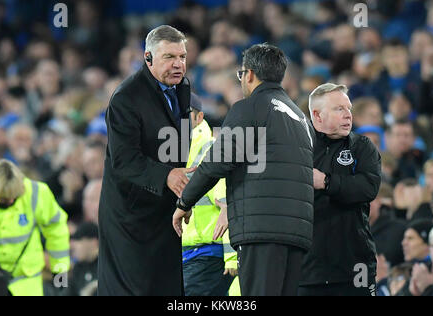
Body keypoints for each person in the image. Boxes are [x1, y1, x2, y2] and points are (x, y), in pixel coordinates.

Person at [173, 43, 315, 296]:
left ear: (249, 74)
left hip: (260, 230)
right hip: (297, 233)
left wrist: (185, 202)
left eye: (241, 75)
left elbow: (217, 162)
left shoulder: (249, 108)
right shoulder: (300, 118)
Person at [98, 25, 194, 296]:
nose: (178, 64)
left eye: (183, 57)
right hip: (131, 216)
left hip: (164, 209)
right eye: (169, 57)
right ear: (148, 58)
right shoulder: (125, 98)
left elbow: (180, 144)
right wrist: (167, 176)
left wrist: (182, 194)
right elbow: (124, 160)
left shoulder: (183, 87)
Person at [299, 83, 381, 296]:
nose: (348, 115)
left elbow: (368, 188)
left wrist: (326, 182)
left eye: (349, 109)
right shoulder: (298, 150)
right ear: (317, 115)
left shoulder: (362, 146)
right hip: (308, 268)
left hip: (355, 265)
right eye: (339, 109)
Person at [181, 93, 238, 296]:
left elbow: (228, 204)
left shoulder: (210, 150)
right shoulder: (175, 154)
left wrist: (231, 256)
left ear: (199, 117)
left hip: (207, 253)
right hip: (187, 255)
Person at [0, 159, 70, 296]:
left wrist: (60, 273)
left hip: (26, 284)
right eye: (4, 199)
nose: (11, 201)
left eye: (15, 197)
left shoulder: (36, 193)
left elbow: (57, 230)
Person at [65, 222, 99, 296]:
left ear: (94, 242)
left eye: (78, 240)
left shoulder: (107, 266)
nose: (72, 247)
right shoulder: (77, 268)